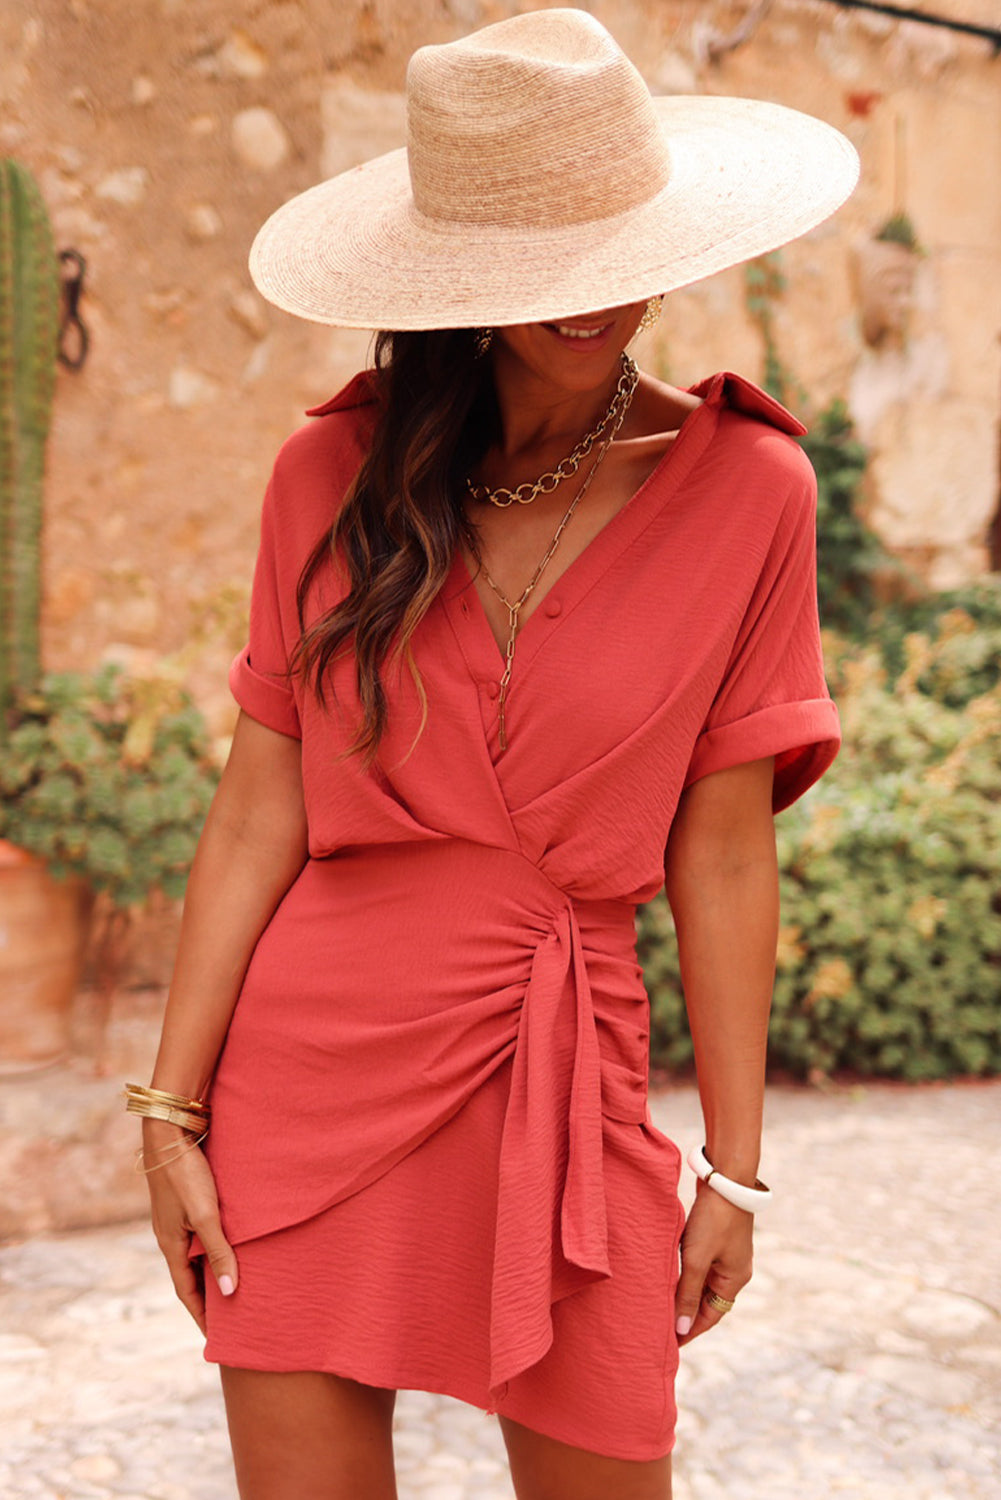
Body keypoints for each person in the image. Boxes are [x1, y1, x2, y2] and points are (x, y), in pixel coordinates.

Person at [127, 10, 858, 1499]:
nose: (598, 304)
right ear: (453, 273)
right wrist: (170, 1115)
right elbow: (258, 804)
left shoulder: (749, 490)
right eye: (547, 266)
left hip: (567, 1069)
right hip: (307, 1080)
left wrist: (730, 1165)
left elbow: (721, 848)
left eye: (620, 252)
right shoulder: (326, 474)